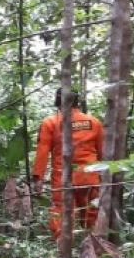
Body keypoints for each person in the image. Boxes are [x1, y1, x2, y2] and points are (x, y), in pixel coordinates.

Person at [32, 89, 105, 239]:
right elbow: (102, 152)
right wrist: (105, 176)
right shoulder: (93, 122)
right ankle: (93, 248)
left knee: (61, 215)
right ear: (77, 102)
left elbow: (42, 152)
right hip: (90, 177)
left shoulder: (50, 123)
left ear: (58, 103)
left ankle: (61, 251)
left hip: (64, 179)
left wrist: (37, 178)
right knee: (92, 214)